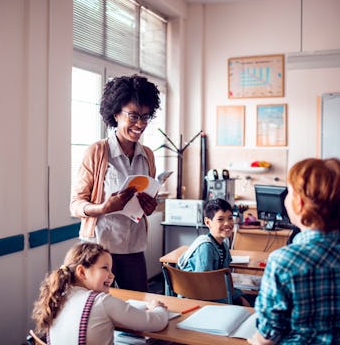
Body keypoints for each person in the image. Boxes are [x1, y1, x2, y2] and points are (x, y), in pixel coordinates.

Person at [249, 158, 340, 345]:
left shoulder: (283, 262)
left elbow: (267, 338)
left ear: (299, 203)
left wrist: (254, 340)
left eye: (289, 192)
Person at [70, 74, 161, 291]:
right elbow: (75, 204)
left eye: (146, 117)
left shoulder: (147, 155)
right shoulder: (98, 152)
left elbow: (146, 202)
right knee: (98, 310)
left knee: (137, 306)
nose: (141, 124)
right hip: (99, 249)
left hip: (133, 249)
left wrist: (149, 207)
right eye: (134, 116)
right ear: (116, 114)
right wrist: (103, 208)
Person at [31, 242, 168, 344]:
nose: (112, 275)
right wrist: (158, 307)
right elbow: (156, 322)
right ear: (82, 272)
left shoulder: (57, 299)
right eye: (105, 268)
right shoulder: (102, 301)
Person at [177, 198, 250, 306]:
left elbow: (222, 280)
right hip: (197, 299)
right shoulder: (205, 248)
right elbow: (204, 287)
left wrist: (238, 297)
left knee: (244, 299)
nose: (227, 223)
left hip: (214, 293)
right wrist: (233, 300)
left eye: (230, 218)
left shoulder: (223, 246)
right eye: (220, 219)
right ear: (208, 222)